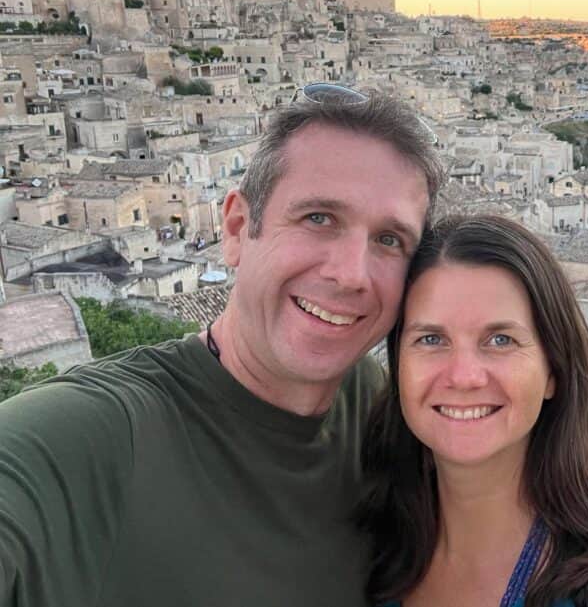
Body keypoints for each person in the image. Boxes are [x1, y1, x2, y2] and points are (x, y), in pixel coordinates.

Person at [0, 86, 445, 606]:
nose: (351, 275)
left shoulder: (377, 409)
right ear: (236, 228)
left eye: (389, 240)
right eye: (318, 218)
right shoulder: (85, 437)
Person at [357, 214, 588, 607]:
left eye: (500, 339)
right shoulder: (365, 543)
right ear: (398, 368)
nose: (464, 376)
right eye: (430, 338)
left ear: (553, 371)